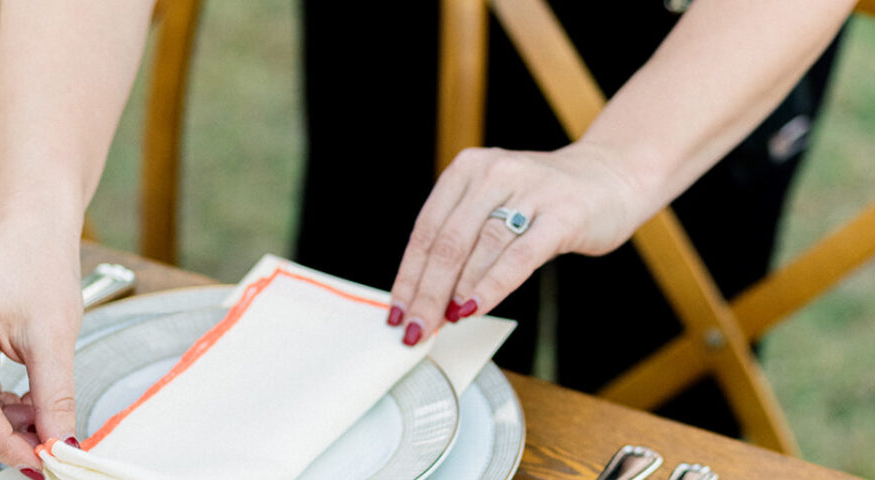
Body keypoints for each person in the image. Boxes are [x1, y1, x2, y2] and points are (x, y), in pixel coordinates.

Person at [0, 0, 855, 477]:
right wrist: (34, 214)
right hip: (393, 27)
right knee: (353, 398)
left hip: (693, 48)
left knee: (652, 425)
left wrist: (619, 165)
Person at [294, 1, 844, 436]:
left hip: (703, 54)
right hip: (403, 35)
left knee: (651, 419)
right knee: (371, 399)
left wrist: (617, 165)